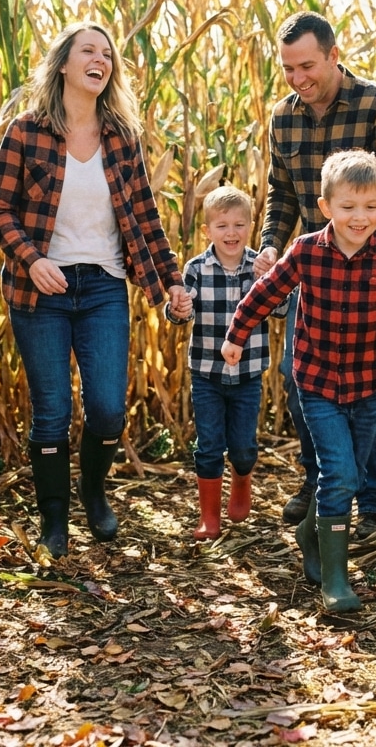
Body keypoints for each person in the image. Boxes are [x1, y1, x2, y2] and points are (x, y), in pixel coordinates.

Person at [0, 22, 191, 560]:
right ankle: (54, 519)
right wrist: (31, 262)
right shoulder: (25, 132)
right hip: (41, 294)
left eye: (107, 54)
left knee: (106, 410)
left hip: (103, 287)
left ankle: (94, 491)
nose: (100, 59)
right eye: (88, 51)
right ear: (63, 65)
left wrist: (171, 281)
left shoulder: (121, 136)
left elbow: (146, 216)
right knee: (51, 410)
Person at [223, 150, 376, 612]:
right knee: (340, 475)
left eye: (370, 207)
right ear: (326, 207)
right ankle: (336, 581)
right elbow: (265, 293)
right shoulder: (306, 249)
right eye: (348, 207)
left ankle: (311, 532)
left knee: (353, 474)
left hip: (368, 385)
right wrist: (237, 335)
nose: (359, 217)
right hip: (318, 383)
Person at [254, 10, 376, 547]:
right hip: (314, 272)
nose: (298, 79)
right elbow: (281, 193)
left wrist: (365, 255)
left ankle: (372, 506)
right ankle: (321, 479)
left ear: (332, 54)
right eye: (288, 69)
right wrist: (271, 246)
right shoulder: (284, 117)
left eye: (307, 66)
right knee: (300, 378)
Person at [165, 185, 287, 540]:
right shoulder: (196, 269)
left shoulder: (259, 267)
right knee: (208, 445)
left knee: (244, 446)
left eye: (238, 225)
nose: (230, 233)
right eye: (222, 226)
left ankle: (242, 484)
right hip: (206, 374)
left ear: (250, 226)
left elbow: (280, 310)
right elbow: (178, 314)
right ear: (207, 231)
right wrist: (177, 309)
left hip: (248, 373)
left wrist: (272, 278)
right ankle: (209, 518)